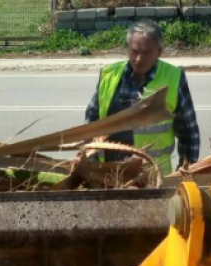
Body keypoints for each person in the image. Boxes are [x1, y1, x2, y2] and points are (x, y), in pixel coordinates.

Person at [84, 21, 200, 174]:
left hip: (154, 178)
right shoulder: (109, 75)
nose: (138, 59)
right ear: (127, 48)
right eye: (134, 51)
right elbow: (91, 122)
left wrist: (184, 173)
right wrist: (91, 163)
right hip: (109, 174)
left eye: (146, 53)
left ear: (159, 52)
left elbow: (188, 133)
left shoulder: (174, 78)